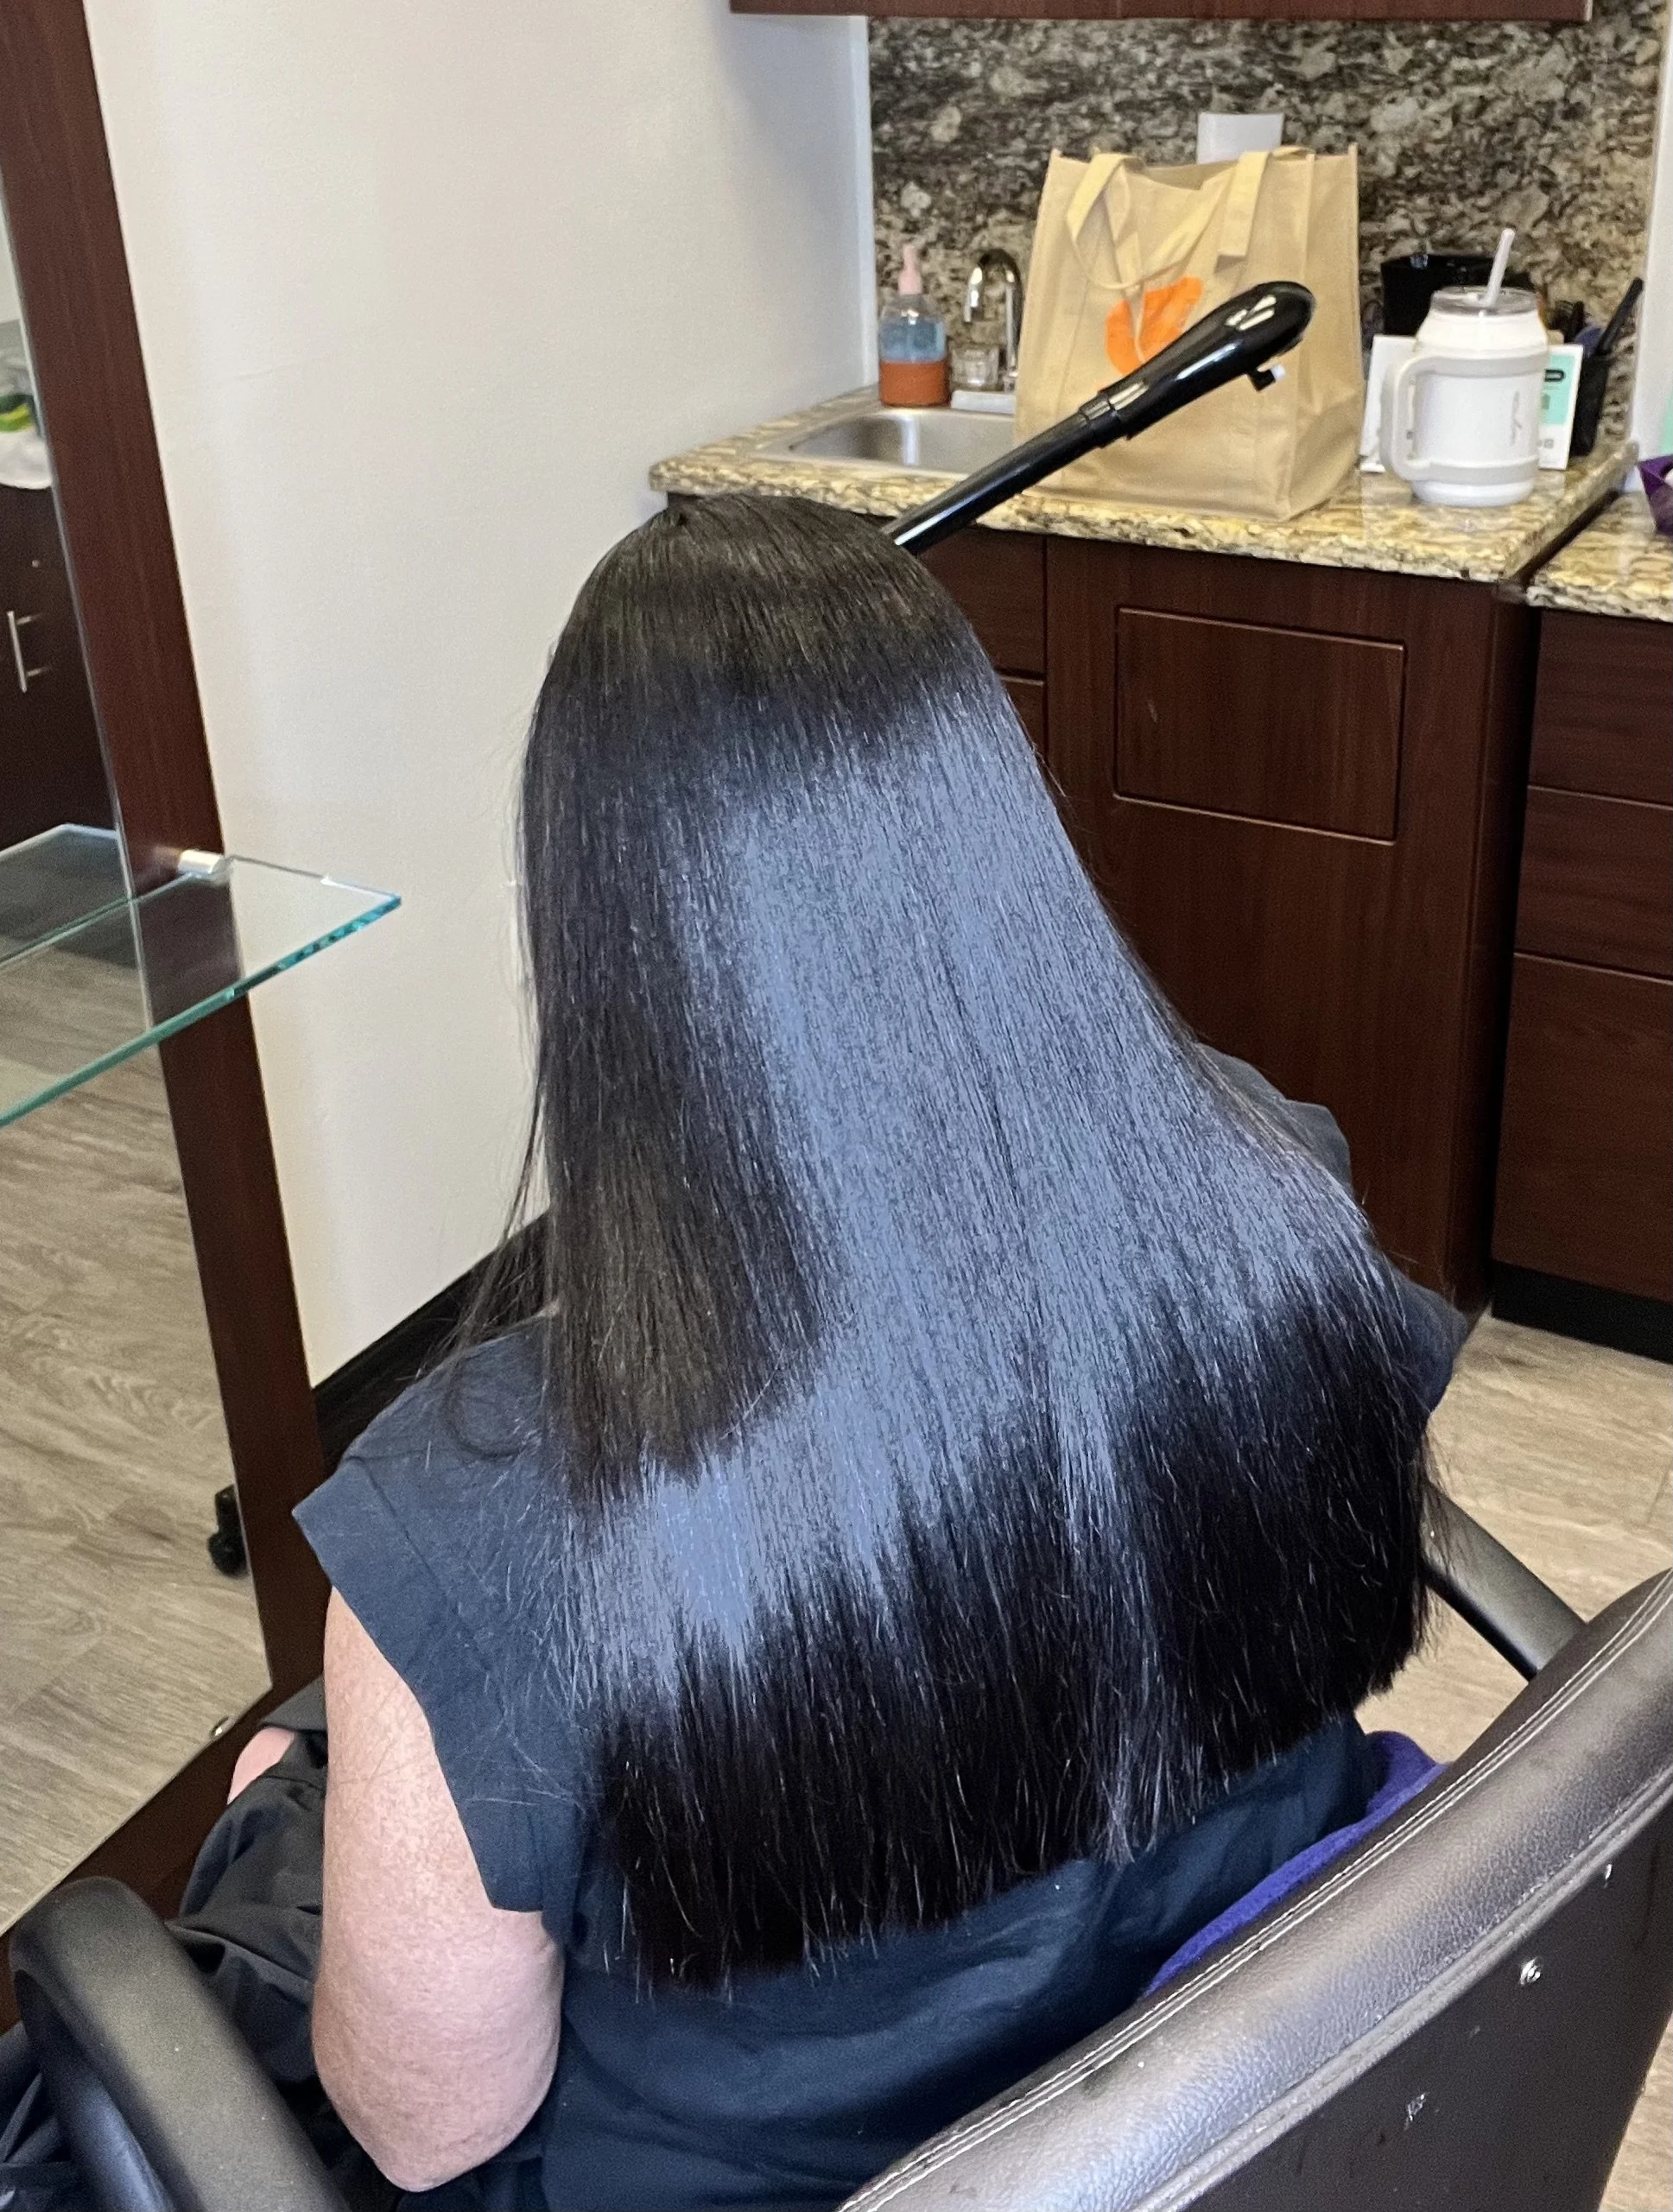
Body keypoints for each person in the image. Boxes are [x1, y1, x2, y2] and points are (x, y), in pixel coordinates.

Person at [216, 495, 1455, 2210]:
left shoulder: (474, 1525)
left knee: (266, 1814)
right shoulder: (1268, 1189)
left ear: (597, 941)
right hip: (1230, 2119)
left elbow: (431, 2128)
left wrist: (308, 1815)